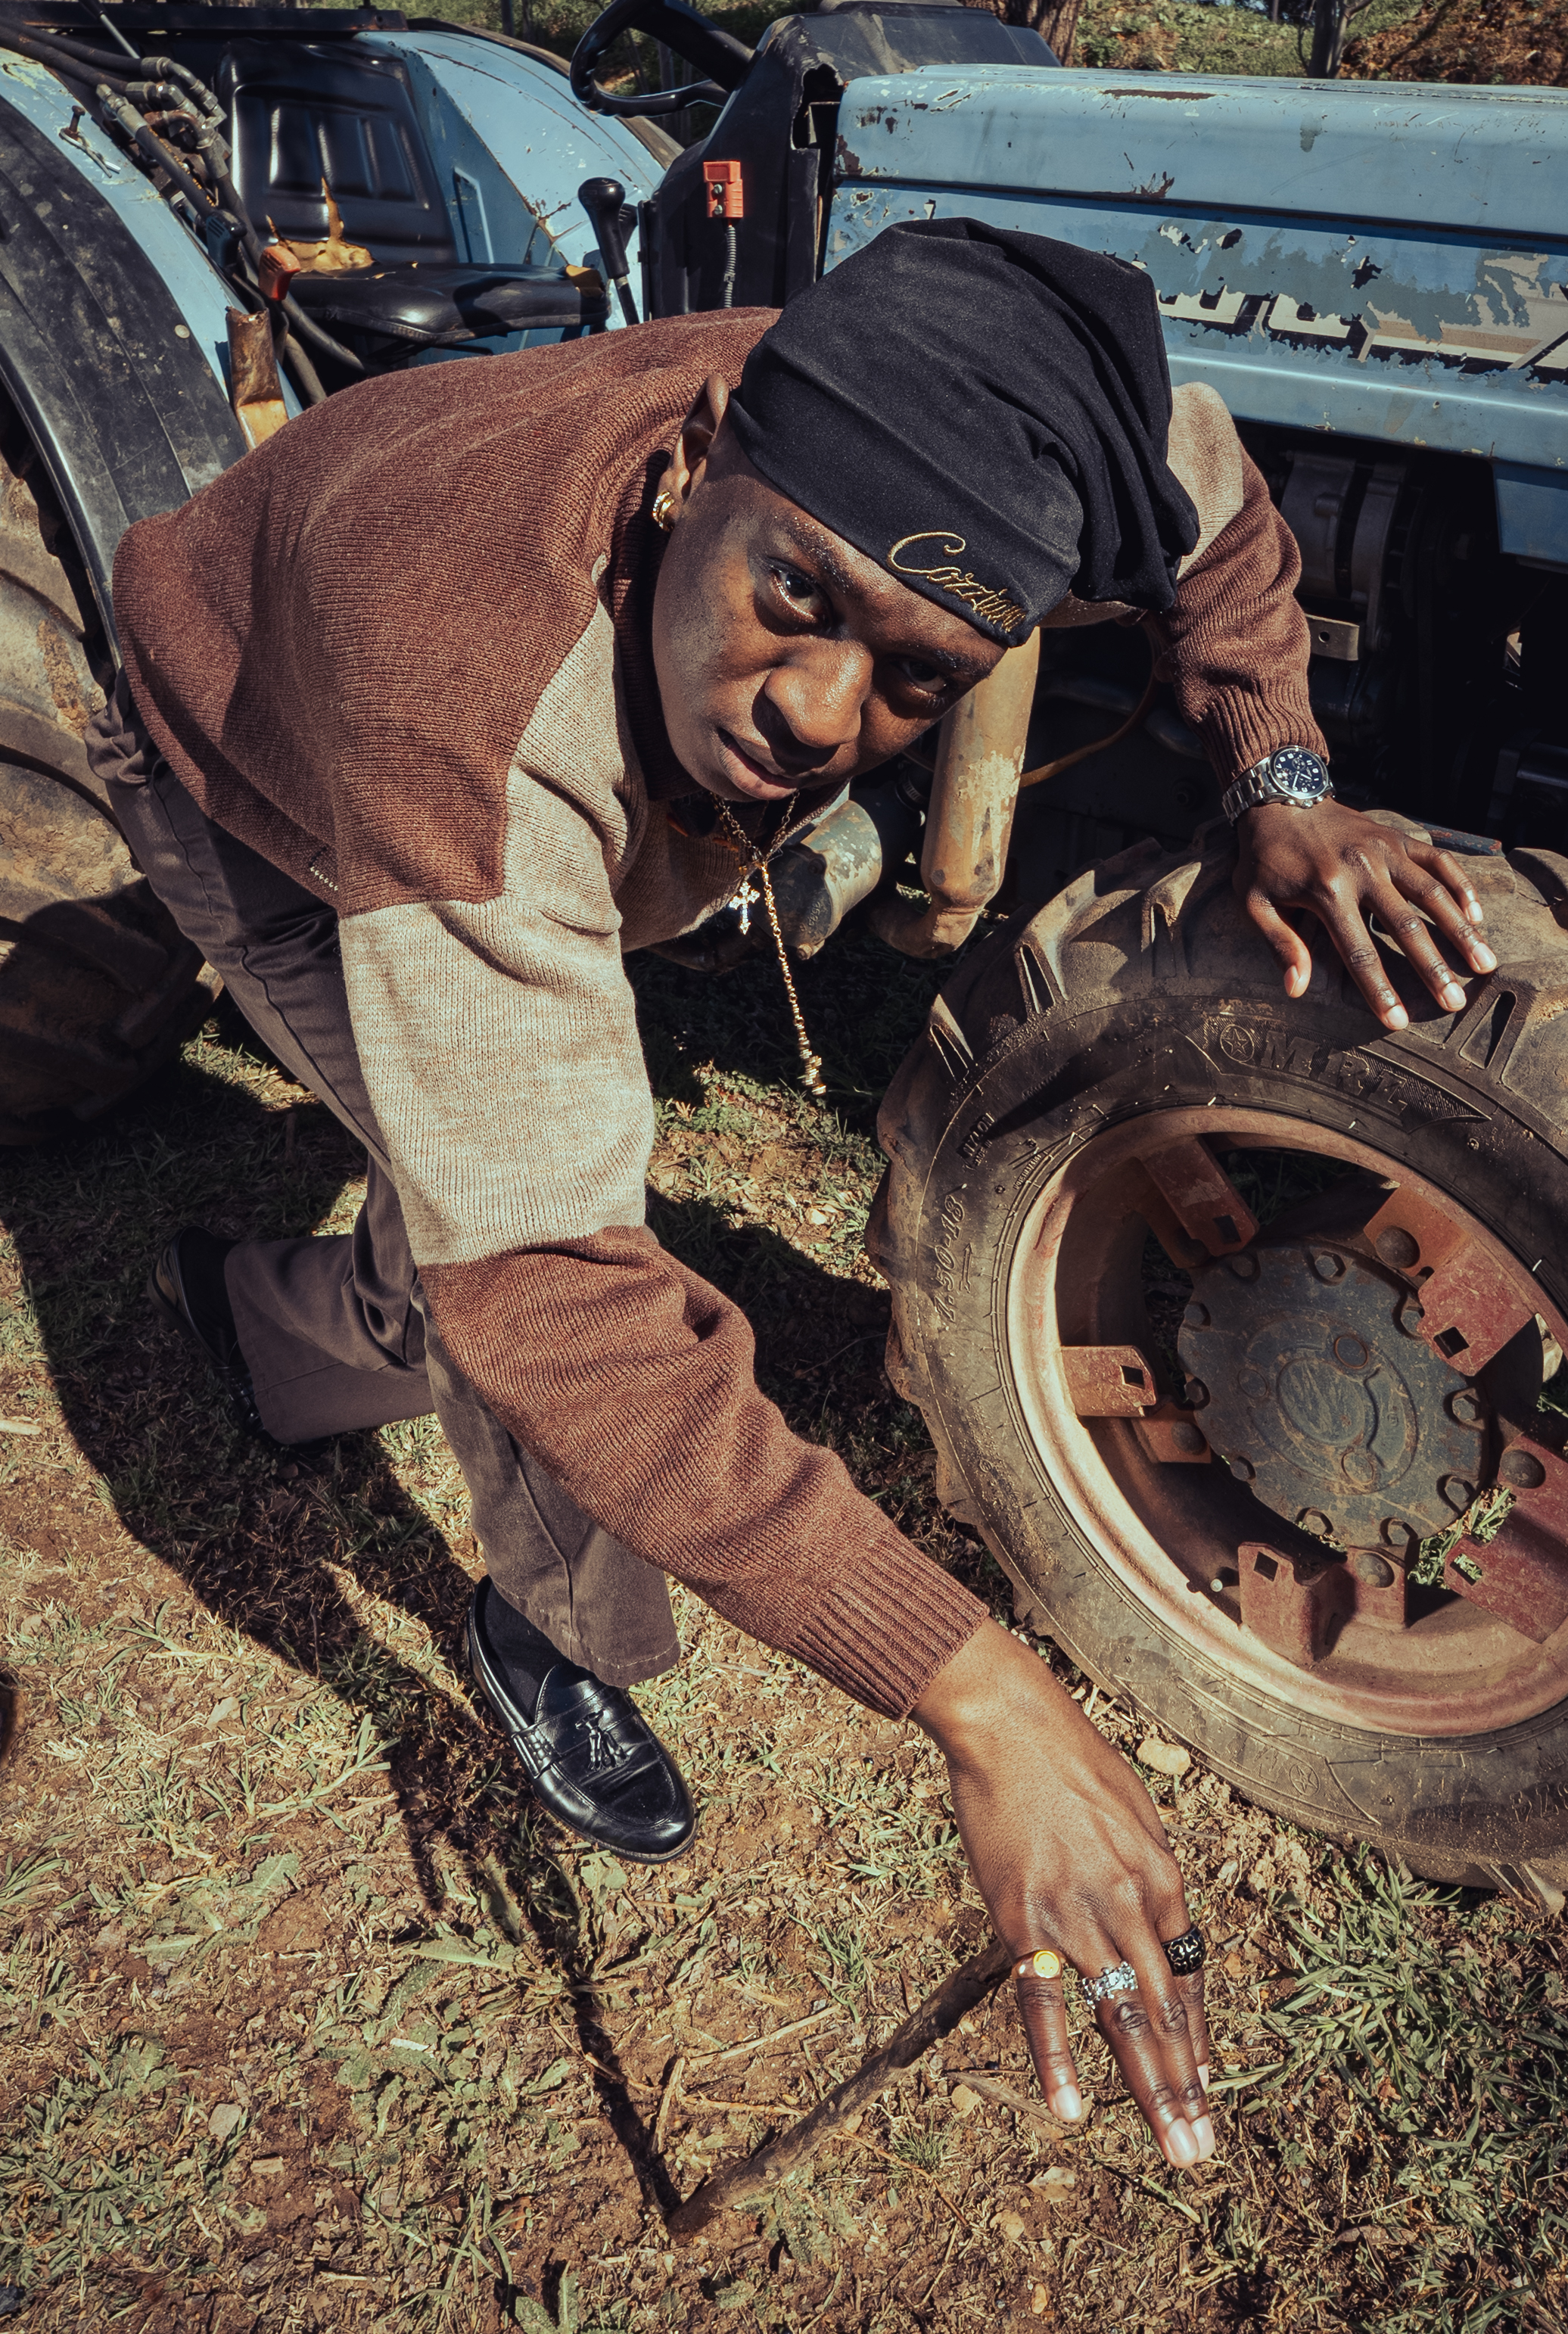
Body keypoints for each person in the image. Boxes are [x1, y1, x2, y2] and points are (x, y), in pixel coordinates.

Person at [86, 219, 1494, 2174]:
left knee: (500, 1177)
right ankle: (555, 1625)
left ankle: (272, 1330)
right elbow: (562, 1292)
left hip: (521, 733)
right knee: (544, 1237)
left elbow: (1218, 488)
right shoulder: (461, 721)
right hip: (246, 753)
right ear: (691, 476)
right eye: (795, 599)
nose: (825, 713)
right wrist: (975, 1683)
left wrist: (1281, 767)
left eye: (915, 678)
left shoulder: (1028, 420)